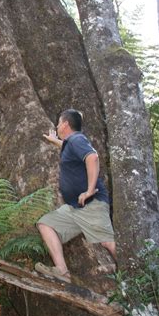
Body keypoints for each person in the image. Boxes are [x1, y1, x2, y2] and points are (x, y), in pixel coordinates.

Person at [35, 108, 117, 283]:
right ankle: (62, 272)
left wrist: (89, 189)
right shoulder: (70, 143)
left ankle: (141, 276)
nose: (56, 126)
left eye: (58, 123)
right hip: (74, 208)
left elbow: (92, 157)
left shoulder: (77, 139)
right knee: (45, 224)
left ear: (65, 124)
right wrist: (55, 141)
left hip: (91, 204)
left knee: (108, 243)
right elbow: (69, 148)